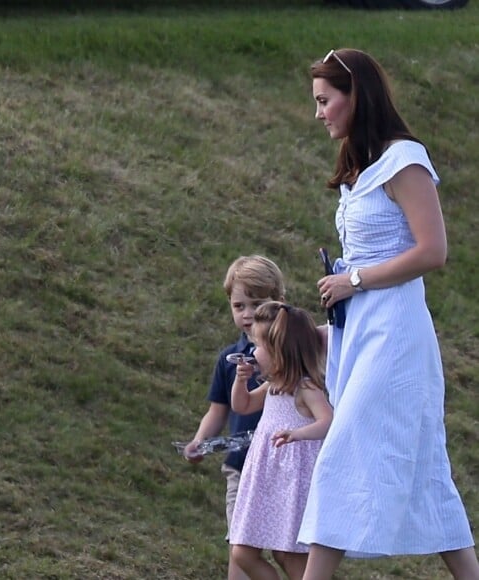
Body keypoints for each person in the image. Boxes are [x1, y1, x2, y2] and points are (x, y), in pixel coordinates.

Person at [297, 48, 479, 580]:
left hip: (395, 336)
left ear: (357, 96)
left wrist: (352, 279)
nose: (319, 112)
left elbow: (432, 251)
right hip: (362, 334)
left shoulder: (405, 160)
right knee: (425, 472)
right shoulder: (361, 169)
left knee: (340, 455)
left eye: (325, 100)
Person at [183, 255, 286, 580]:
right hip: (241, 467)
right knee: (240, 549)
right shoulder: (229, 359)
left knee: (288, 549)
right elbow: (218, 410)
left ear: (279, 303)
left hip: (285, 466)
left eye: (257, 304)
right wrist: (200, 442)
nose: (248, 314)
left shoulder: (293, 353)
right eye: (239, 305)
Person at [230, 302, 333, 580]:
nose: (254, 352)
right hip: (266, 477)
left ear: (280, 352)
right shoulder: (274, 384)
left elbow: (328, 421)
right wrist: (241, 381)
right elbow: (243, 405)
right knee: (242, 552)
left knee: (289, 556)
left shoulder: (304, 387)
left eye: (259, 346)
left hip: (292, 481)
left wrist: (298, 434)